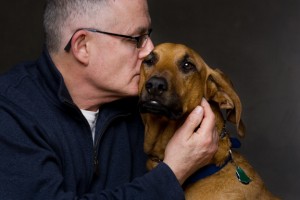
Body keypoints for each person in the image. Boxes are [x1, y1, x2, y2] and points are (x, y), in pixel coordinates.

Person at [0, 0, 218, 199]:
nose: (150, 49)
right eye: (136, 39)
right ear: (83, 46)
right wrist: (173, 172)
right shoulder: (10, 112)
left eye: (148, 35)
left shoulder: (148, 107)